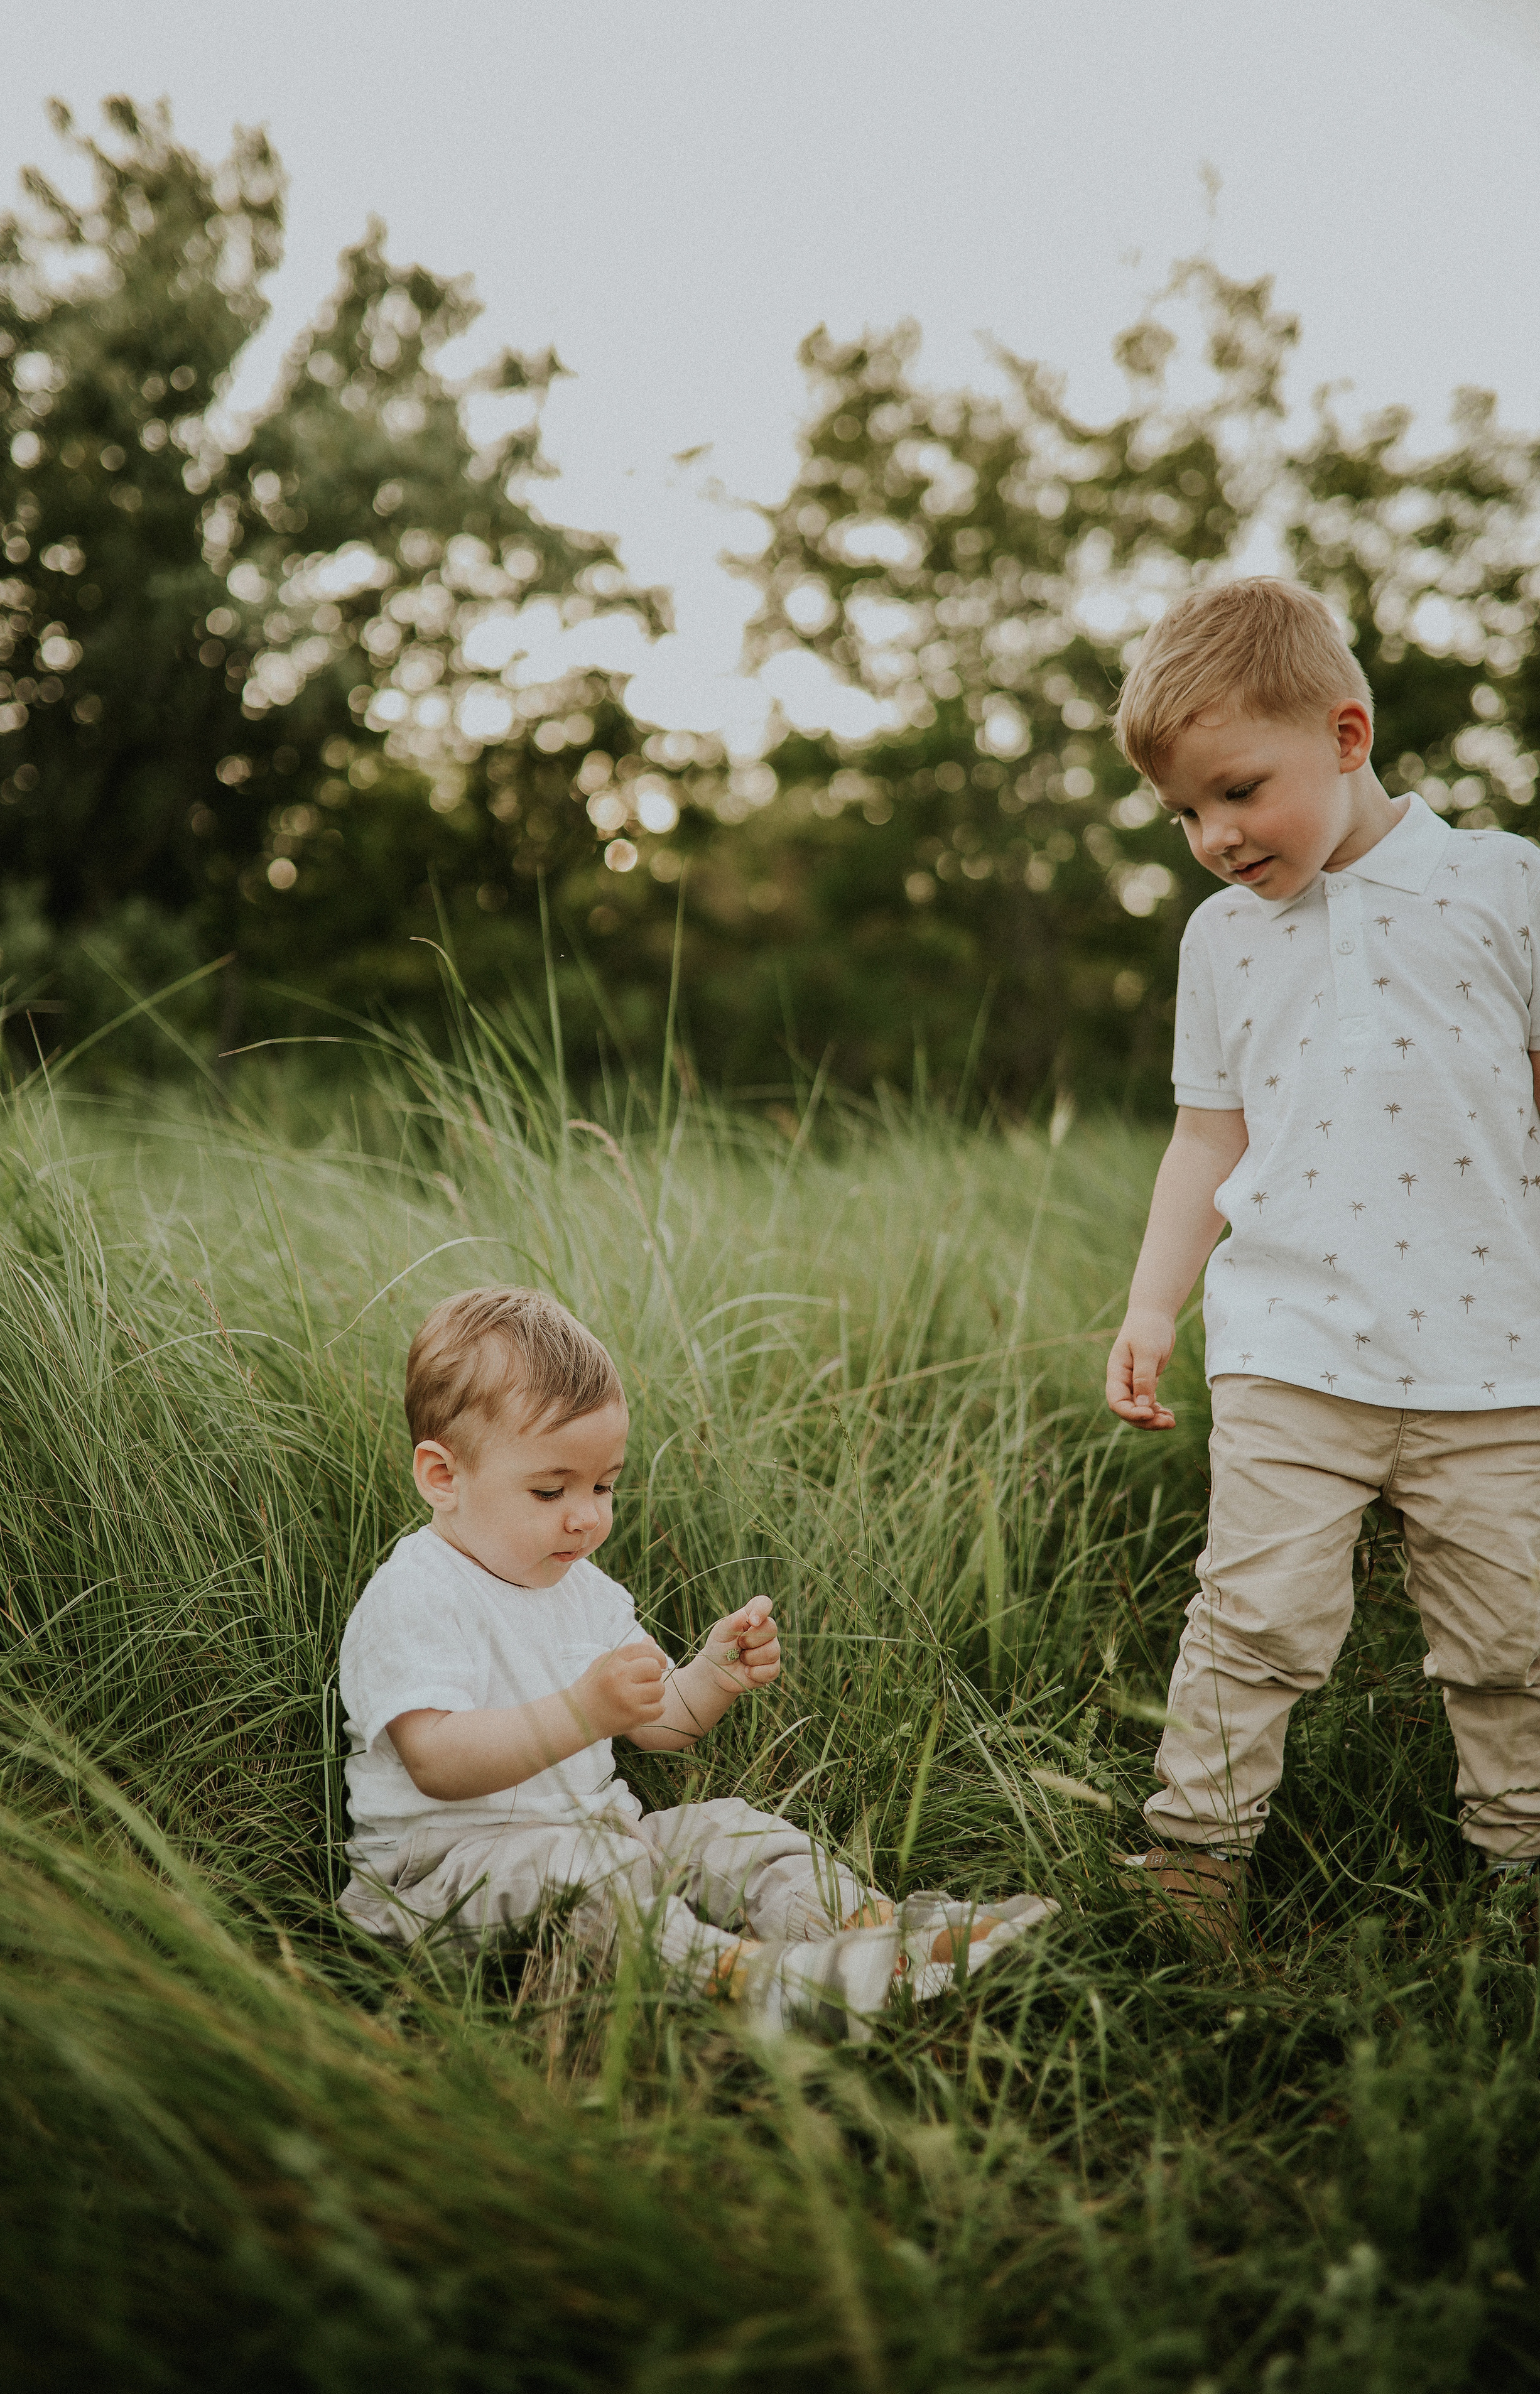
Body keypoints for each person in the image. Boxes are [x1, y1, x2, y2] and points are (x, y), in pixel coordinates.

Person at [1105, 576, 1540, 1946]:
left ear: (1346, 736)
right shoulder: (1220, 939)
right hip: (1289, 1349)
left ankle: (1516, 1873)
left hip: (1496, 1360)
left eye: (1237, 790)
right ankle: (1192, 1867)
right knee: (1251, 1627)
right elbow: (1201, 1141)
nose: (1213, 837)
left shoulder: (1499, 883)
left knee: (1511, 1649)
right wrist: (1149, 1304)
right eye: (1183, 813)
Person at [338, 1285, 1053, 2032]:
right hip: (438, 1884)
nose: (586, 1517)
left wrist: (711, 1676)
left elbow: (660, 1725)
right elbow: (436, 1762)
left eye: (604, 1485)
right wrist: (581, 1713)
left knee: (728, 1831)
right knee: (581, 1877)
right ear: (443, 1477)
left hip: (606, 1849)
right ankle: (746, 1984)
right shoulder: (418, 1593)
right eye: (549, 1490)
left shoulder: (585, 1590)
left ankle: (883, 1936)